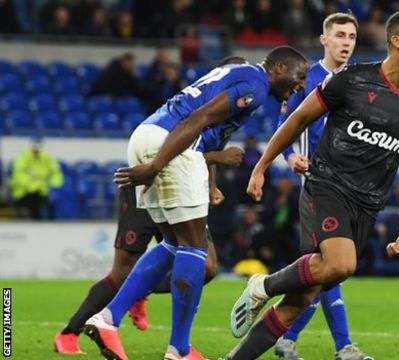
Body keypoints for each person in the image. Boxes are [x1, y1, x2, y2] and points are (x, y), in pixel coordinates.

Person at [225, 9, 399, 360]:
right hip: (326, 185)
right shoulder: (351, 80)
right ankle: (262, 284)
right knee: (341, 264)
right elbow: (298, 119)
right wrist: (262, 165)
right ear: (397, 40)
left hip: (367, 204)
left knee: (304, 297)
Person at [86, 46, 307, 360]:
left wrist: (209, 183)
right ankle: (179, 349)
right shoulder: (256, 85)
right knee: (195, 248)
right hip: (171, 144)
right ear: (280, 67)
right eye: (299, 78)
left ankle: (108, 319)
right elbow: (200, 118)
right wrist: (156, 164)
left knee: (174, 243)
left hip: (147, 133)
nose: (300, 86)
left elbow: (211, 131)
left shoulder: (239, 73)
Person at [53, 147, 244, 355]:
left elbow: (206, 145)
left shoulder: (224, 120)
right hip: (146, 182)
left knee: (207, 268)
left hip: (184, 190)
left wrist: (211, 185)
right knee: (122, 274)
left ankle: (141, 292)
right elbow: (177, 150)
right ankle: (69, 334)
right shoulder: (201, 115)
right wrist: (217, 157)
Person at [272, 12, 372, 360]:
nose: (346, 42)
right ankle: (343, 346)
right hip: (318, 186)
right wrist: (289, 157)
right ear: (324, 39)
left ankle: (286, 338)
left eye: (352, 37)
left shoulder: (360, 82)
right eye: (340, 35)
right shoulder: (307, 79)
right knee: (329, 268)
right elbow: (285, 124)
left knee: (324, 271)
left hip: (351, 188)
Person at [10, 138, 63, 219]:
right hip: (24, 192)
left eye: (38, 149)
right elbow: (18, 175)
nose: (36, 151)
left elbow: (56, 173)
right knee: (34, 202)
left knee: (51, 200)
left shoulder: (47, 158)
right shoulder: (22, 158)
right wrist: (34, 184)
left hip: (41, 191)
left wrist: (53, 185)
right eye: (34, 149)